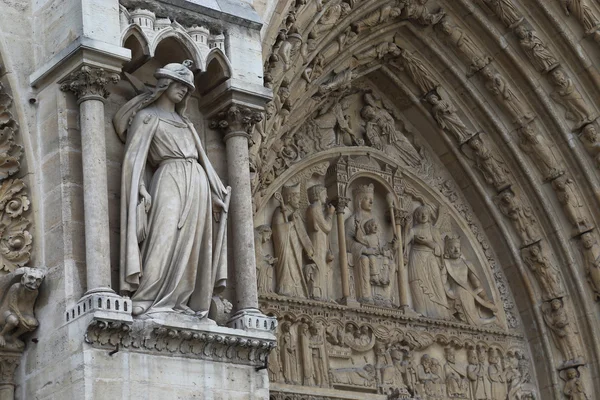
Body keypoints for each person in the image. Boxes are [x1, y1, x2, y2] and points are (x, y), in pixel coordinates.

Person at [113, 60, 230, 317]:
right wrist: (140, 189)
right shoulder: (147, 117)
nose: (184, 91)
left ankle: (179, 301)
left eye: (188, 88)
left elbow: (202, 160)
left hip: (197, 182)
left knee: (192, 243)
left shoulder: (187, 124)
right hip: (168, 178)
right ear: (165, 84)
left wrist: (213, 196)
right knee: (163, 237)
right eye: (180, 85)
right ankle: (148, 295)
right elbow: (134, 161)